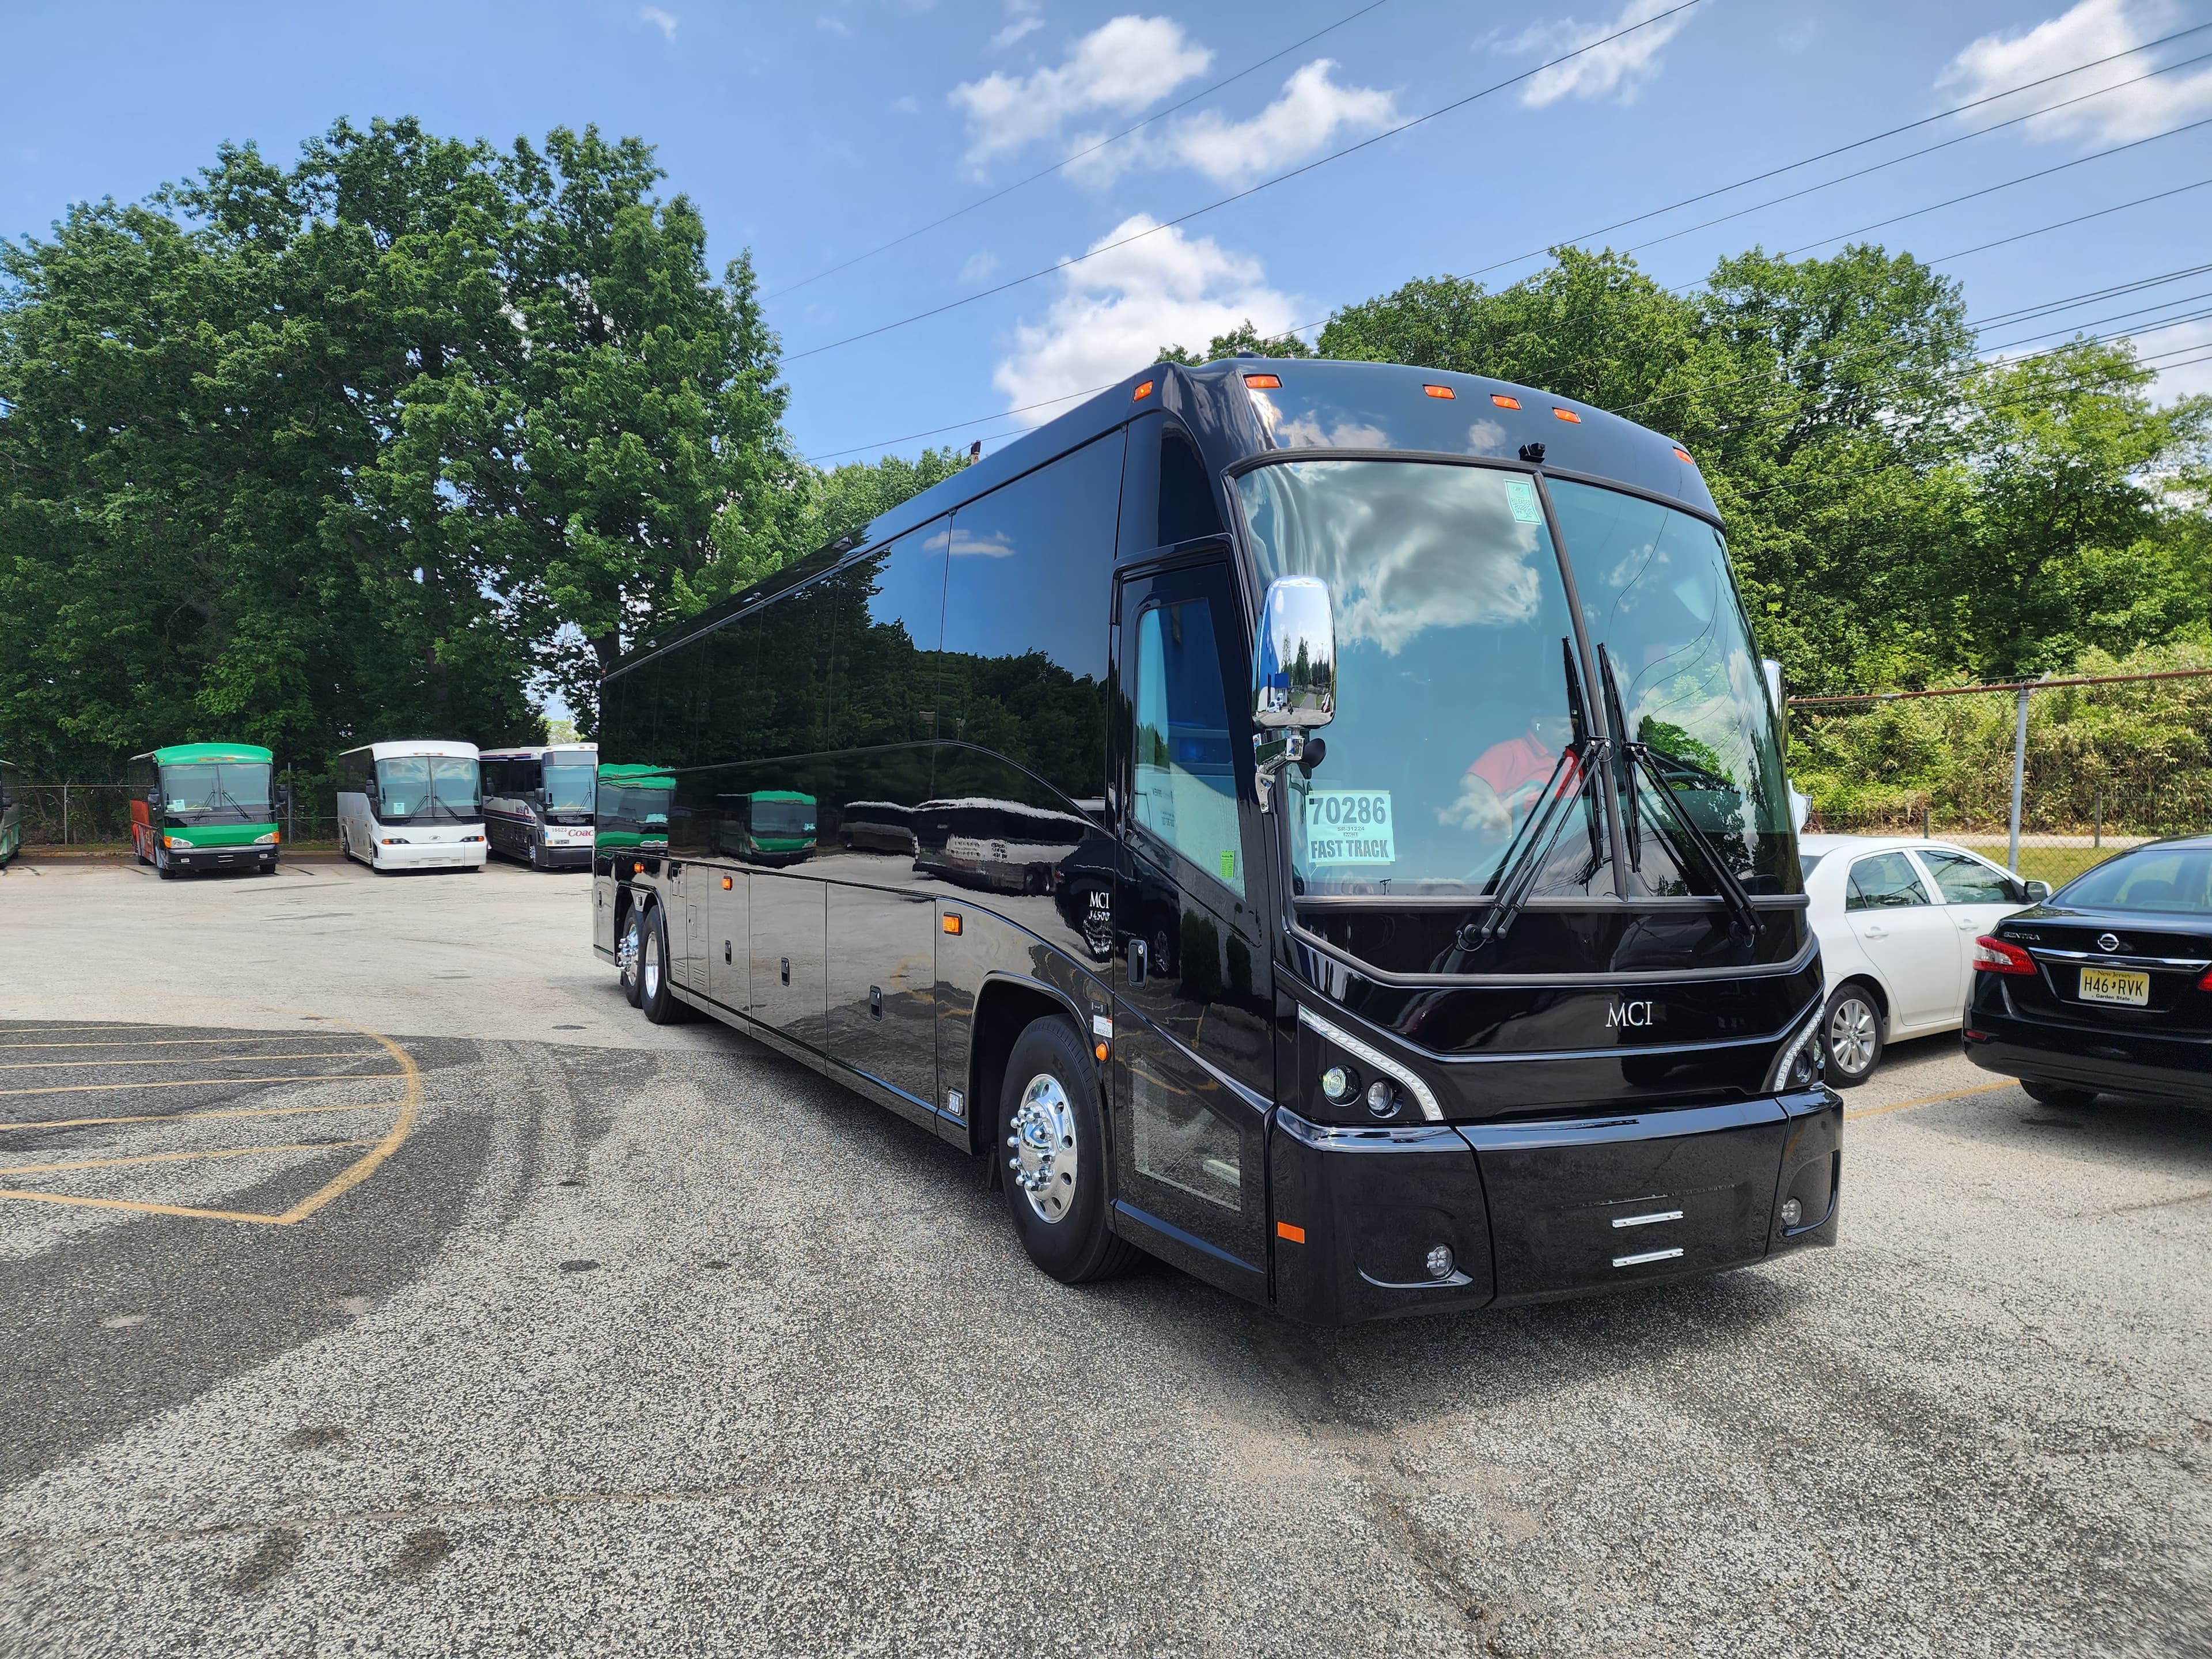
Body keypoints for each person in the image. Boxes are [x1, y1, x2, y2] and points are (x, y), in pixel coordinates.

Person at [1438, 709, 1578, 838]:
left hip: (1577, 841)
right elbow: (1471, 781)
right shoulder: (1511, 752)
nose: (1570, 732)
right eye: (1561, 726)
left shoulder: (1572, 757)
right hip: (1525, 852)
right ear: (1538, 722)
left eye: (1573, 726)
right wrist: (1498, 814)